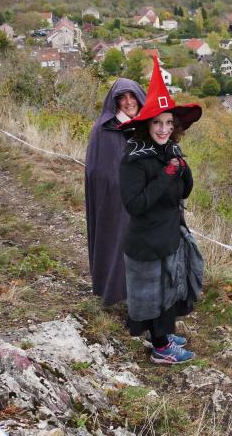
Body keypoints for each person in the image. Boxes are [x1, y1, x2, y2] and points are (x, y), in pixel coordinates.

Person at [118, 56, 204, 364]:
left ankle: (164, 334)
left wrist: (182, 170)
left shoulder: (169, 149)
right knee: (152, 295)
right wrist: (166, 174)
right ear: (146, 124)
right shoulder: (135, 158)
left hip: (168, 235)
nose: (164, 129)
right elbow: (135, 204)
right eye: (157, 123)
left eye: (169, 123)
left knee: (168, 290)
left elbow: (184, 193)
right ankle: (160, 347)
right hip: (146, 241)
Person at [85, 78, 146, 306]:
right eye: (122, 98)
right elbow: (98, 170)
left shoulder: (147, 126)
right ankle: (117, 293)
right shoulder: (104, 130)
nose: (128, 102)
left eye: (132, 96)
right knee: (118, 244)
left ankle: (142, 302)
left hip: (146, 203)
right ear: (115, 102)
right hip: (116, 202)